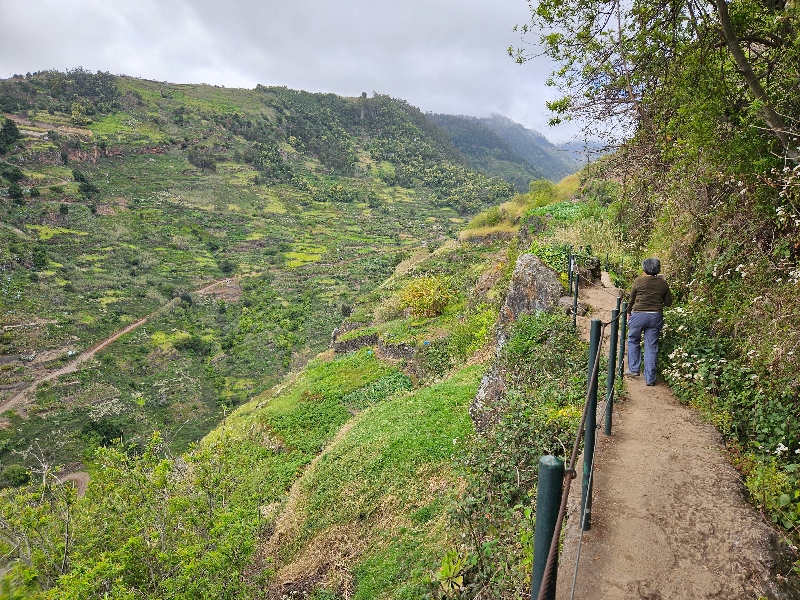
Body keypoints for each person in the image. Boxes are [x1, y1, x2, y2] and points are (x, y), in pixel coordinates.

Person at [625, 257, 673, 386]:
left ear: (644, 268)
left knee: (633, 339)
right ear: (658, 269)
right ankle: (650, 379)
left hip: (638, 315)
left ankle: (634, 369)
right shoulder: (663, 283)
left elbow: (631, 300)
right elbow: (668, 303)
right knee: (651, 345)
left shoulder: (638, 281)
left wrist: (628, 312)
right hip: (655, 316)